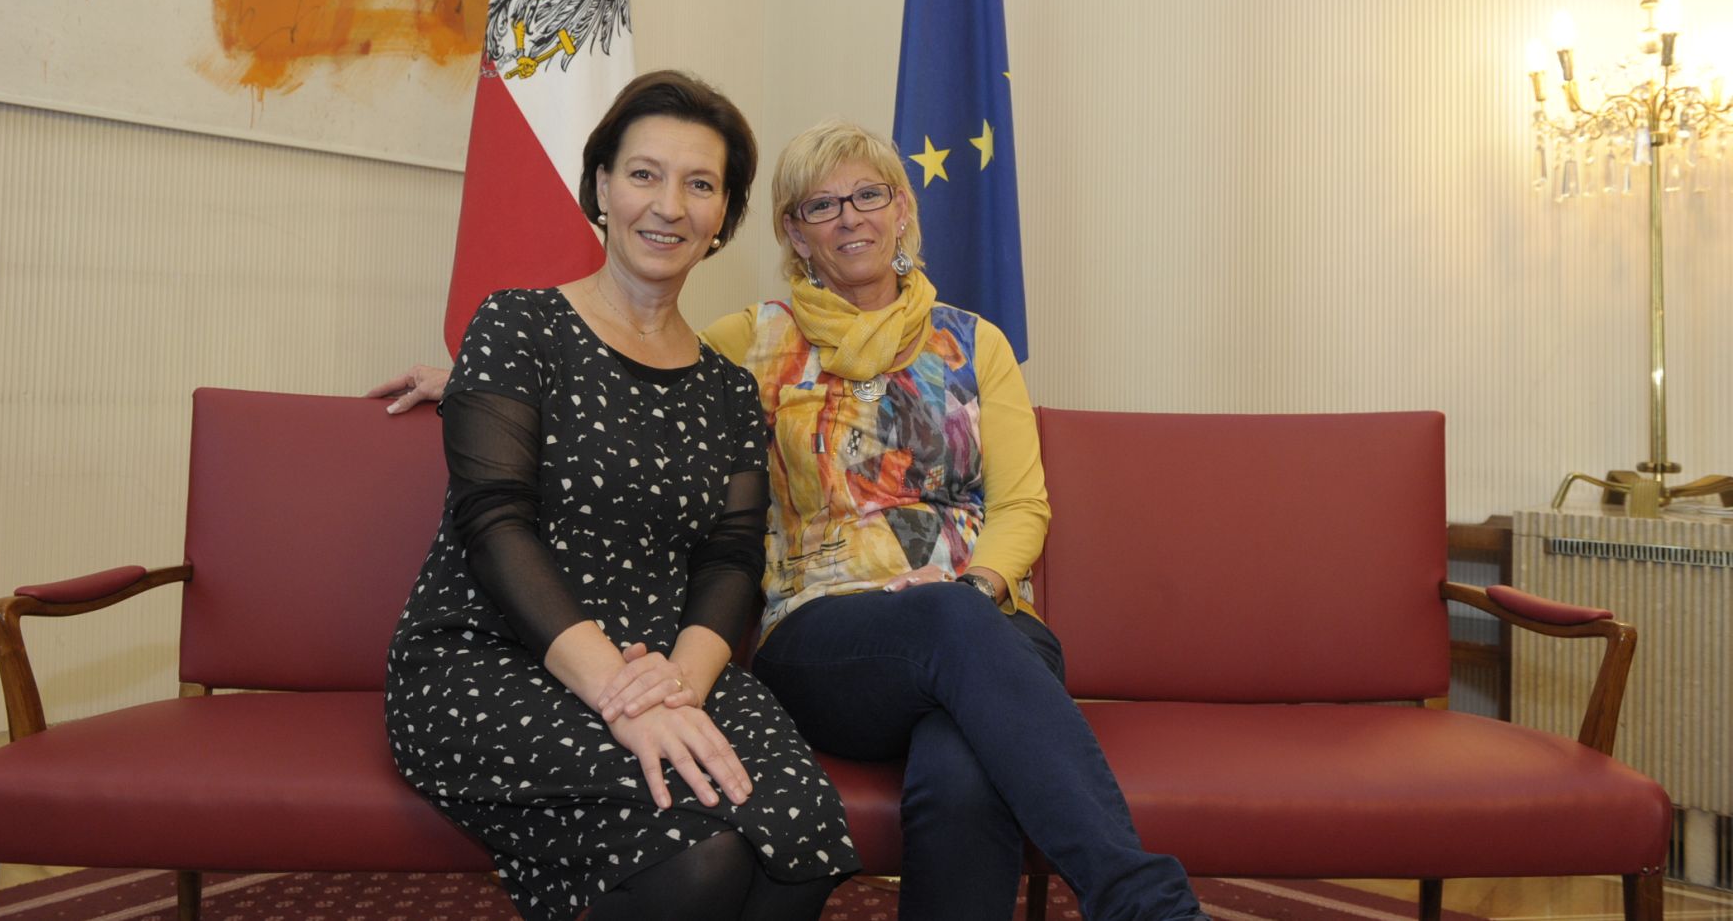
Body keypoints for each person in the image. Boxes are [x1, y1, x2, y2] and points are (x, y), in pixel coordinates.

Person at [374, 121, 1208, 921]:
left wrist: (981, 581)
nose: (850, 216)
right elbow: (627, 367)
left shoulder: (974, 342)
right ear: (793, 233)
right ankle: (1147, 903)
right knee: (949, 633)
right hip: (832, 634)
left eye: (869, 194)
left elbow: (1022, 503)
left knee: (964, 768)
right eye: (821, 203)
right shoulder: (754, 342)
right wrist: (483, 382)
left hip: (982, 626)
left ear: (904, 209)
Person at [383, 72, 857, 921]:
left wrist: (674, 684)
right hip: (496, 655)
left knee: (799, 836)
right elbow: (494, 524)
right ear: (601, 185)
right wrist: (617, 695)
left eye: (700, 184)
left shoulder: (725, 388)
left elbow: (732, 556)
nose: (668, 204)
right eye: (644, 174)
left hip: (667, 661)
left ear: (723, 219)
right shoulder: (518, 325)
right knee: (697, 849)